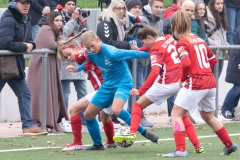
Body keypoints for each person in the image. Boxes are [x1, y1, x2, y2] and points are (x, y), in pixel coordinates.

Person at [113, 23, 205, 154]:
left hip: (167, 82)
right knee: (182, 116)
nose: (145, 45)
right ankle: (198, 146)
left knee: (137, 106)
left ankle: (132, 132)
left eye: (144, 42)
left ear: (149, 37)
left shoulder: (156, 49)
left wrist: (141, 90)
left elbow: (155, 71)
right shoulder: (168, 37)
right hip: (182, 80)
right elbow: (154, 48)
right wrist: (140, 49)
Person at [161, 11, 238, 158]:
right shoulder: (198, 39)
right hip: (210, 82)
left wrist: (183, 79)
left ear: (174, 26)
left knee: (176, 114)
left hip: (195, 83)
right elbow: (213, 60)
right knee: (208, 116)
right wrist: (203, 70)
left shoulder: (182, 42)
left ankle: (180, 150)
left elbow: (186, 63)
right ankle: (229, 145)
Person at [79, 30, 158, 150]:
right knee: (88, 115)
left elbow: (134, 54)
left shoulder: (112, 52)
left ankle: (143, 132)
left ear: (97, 39)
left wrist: (155, 53)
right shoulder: (90, 53)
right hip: (107, 85)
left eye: (92, 46)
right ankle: (97, 144)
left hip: (123, 83)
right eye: (88, 47)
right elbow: (87, 61)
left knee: (116, 109)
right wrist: (77, 69)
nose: (91, 49)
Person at [57, 33, 117, 150]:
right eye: (66, 57)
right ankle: (110, 141)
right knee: (104, 116)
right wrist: (77, 68)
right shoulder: (87, 54)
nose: (69, 58)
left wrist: (78, 68)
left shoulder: (86, 52)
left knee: (75, 109)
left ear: (76, 48)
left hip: (104, 90)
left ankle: (79, 143)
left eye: (69, 54)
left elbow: (88, 56)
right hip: (106, 89)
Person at [0, 0, 48, 136]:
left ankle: (27, 126)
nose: (26, 5)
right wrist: (24, 46)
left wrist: (31, 45)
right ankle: (27, 125)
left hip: (13, 65)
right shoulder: (9, 19)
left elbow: (30, 41)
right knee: (24, 93)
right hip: (3, 64)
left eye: (28, 2)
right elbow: (4, 42)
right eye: (23, 2)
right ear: (15, 3)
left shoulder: (26, 18)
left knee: (25, 93)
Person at [27, 11, 69, 133]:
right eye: (56, 20)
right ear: (51, 21)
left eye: (61, 20)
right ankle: (41, 121)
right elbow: (52, 44)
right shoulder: (45, 29)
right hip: (40, 66)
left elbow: (62, 44)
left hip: (51, 65)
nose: (59, 23)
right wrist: (62, 41)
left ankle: (52, 121)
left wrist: (61, 37)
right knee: (42, 92)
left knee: (53, 92)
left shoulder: (56, 31)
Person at [96, 0, 130, 125]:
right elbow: (108, 42)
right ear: (112, 9)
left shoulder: (121, 24)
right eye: (118, 8)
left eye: (123, 8)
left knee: (114, 89)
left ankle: (110, 116)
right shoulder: (106, 22)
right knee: (106, 88)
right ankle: (103, 117)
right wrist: (128, 45)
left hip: (116, 62)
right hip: (104, 62)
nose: (121, 11)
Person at [57, 0, 88, 126]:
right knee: (65, 93)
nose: (71, 7)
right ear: (63, 5)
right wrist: (73, 20)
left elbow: (86, 35)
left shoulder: (76, 17)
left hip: (79, 57)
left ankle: (86, 119)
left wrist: (82, 21)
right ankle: (64, 119)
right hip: (66, 58)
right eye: (69, 4)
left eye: (73, 4)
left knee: (83, 93)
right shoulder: (58, 15)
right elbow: (63, 34)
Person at [124, 0, 153, 127]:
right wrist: (143, 45)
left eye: (139, 7)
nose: (137, 9)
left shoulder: (140, 21)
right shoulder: (127, 21)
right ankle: (137, 116)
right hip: (134, 59)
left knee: (137, 88)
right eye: (134, 7)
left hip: (141, 59)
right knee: (138, 88)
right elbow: (131, 38)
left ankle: (135, 114)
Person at [219, 26, 240, 120]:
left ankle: (231, 109)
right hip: (237, 61)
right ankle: (224, 109)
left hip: (237, 59)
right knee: (237, 87)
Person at [207, 0, 229, 79]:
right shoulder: (207, 16)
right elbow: (204, 37)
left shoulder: (221, 15)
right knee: (212, 81)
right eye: (218, 4)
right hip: (212, 53)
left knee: (216, 80)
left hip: (221, 53)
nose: (220, 6)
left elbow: (223, 35)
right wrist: (216, 44)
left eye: (222, 3)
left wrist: (226, 46)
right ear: (213, 4)